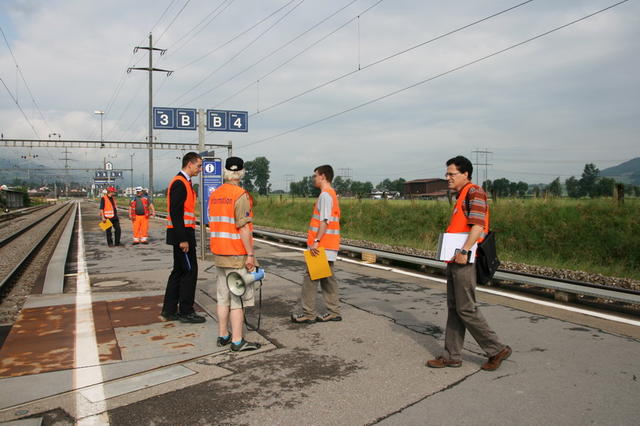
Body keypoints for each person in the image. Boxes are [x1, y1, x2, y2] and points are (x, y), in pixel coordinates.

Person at [427, 155, 511, 371]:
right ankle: (451, 356)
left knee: (466, 309)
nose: (448, 177)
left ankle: (496, 349)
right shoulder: (461, 195)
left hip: (465, 258)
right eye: (447, 173)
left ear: (466, 174)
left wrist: (464, 250)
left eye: (452, 173)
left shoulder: (474, 192)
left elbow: (478, 226)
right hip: (456, 258)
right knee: (455, 308)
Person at [208, 157, 261, 351]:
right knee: (237, 299)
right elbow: (244, 228)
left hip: (219, 252)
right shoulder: (240, 195)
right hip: (236, 254)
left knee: (223, 298)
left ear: (225, 172)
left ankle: (223, 335)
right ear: (241, 172)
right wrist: (251, 255)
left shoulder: (215, 195)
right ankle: (238, 341)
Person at [291, 164, 342, 324]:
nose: (313, 178)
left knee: (310, 278)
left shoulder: (326, 195)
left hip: (322, 246)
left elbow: (324, 221)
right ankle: (333, 311)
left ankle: (308, 313)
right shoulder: (331, 194)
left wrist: (316, 241)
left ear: (323, 176)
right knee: (327, 278)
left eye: (315, 175)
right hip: (329, 245)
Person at [161, 152, 206, 324]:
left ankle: (169, 309)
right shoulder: (180, 183)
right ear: (189, 164)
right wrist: (183, 239)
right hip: (182, 235)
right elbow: (176, 212)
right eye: (199, 165)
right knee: (189, 271)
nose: (200, 169)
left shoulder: (184, 182)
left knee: (179, 271)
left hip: (181, 234)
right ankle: (186, 311)